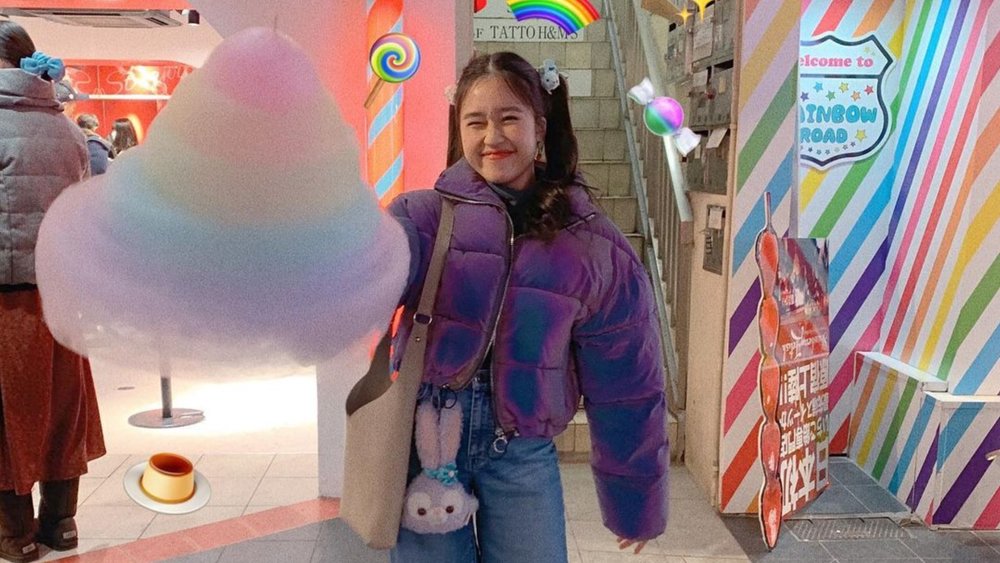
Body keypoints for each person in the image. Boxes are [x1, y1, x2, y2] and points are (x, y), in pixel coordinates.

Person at [384, 51, 668, 562]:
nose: (492, 137)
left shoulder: (591, 245)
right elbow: (360, 280)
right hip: (427, 445)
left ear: (540, 126)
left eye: (509, 118)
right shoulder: (420, 218)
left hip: (521, 454)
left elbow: (627, 383)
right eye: (476, 121)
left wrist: (636, 501)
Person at [0, 20, 105, 562]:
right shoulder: (67, 129)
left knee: (8, 414)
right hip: (63, 297)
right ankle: (60, 525)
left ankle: (14, 535)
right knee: (64, 408)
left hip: (7, 298)